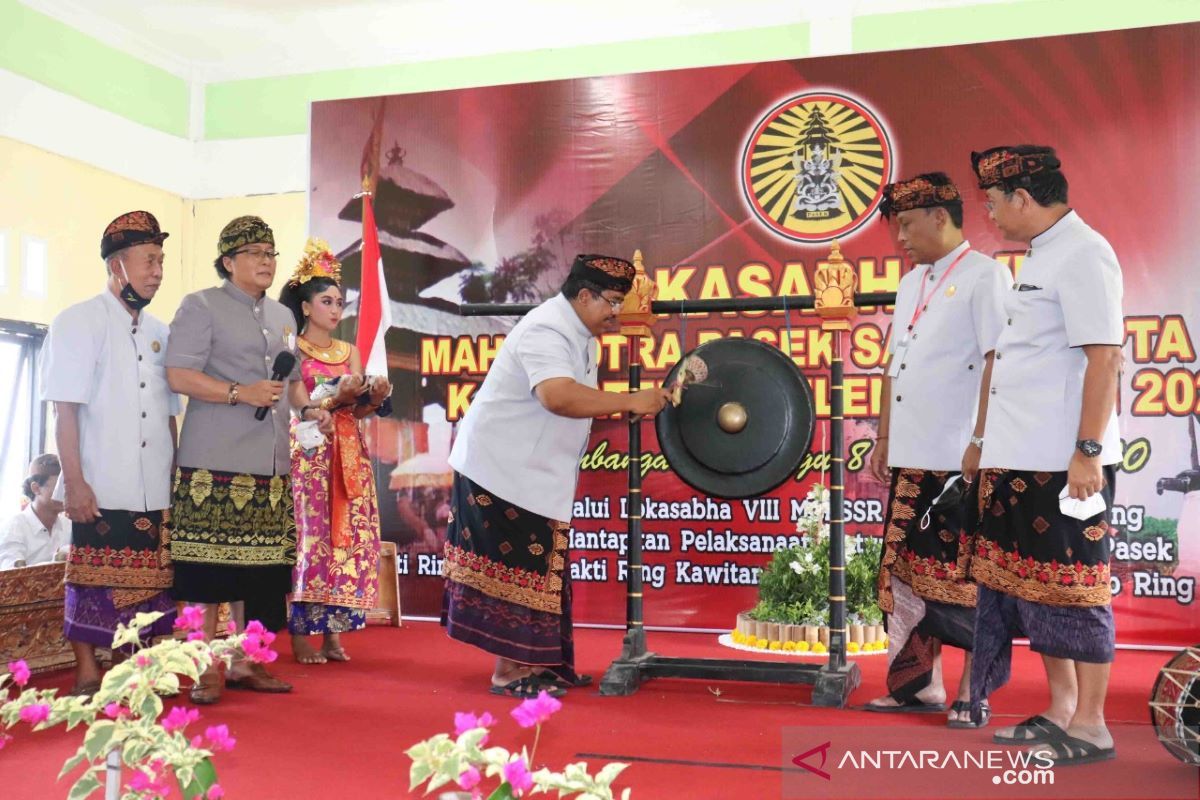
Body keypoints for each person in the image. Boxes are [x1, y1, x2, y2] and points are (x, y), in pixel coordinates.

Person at [443, 254, 672, 698]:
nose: (616, 313)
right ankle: (508, 673)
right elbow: (556, 395)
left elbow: (574, 398)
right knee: (519, 570)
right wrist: (628, 401)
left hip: (534, 473)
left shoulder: (581, 333)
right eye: (611, 301)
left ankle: (538, 663)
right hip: (501, 469)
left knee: (542, 569)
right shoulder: (546, 328)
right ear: (583, 295)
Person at [969, 146, 1124, 764]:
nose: (992, 216)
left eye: (993, 204)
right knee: (1034, 592)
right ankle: (1061, 710)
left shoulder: (1086, 253)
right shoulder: (1040, 254)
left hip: (1063, 465)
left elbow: (1104, 358)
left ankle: (1092, 723)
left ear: (1023, 199)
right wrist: (984, 442)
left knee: (1075, 588)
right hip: (1019, 455)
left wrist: (1087, 452)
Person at [165, 216, 331, 705]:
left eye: (271, 252)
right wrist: (240, 392)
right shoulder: (200, 306)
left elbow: (294, 378)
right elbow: (178, 375)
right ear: (228, 261)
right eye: (255, 252)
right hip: (213, 462)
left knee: (256, 573)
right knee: (206, 572)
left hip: (272, 463)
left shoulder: (282, 315)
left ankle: (243, 662)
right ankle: (203, 667)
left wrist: (309, 408)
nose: (266, 261)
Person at [865, 173, 1007, 727]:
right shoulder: (910, 284)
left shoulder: (985, 277)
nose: (900, 236)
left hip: (959, 458)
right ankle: (917, 686)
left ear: (940, 217)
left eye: (906, 223)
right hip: (911, 450)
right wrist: (884, 435)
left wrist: (980, 441)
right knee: (905, 570)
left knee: (961, 576)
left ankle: (974, 692)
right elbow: (893, 364)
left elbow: (998, 363)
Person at [41, 211, 180, 695]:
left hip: (154, 482)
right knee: (90, 576)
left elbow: (168, 415)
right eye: (149, 260)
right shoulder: (77, 321)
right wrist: (74, 482)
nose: (158, 271)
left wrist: (175, 475)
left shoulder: (162, 330)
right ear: (117, 265)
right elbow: (65, 411)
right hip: (99, 480)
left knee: (152, 579)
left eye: (161, 260)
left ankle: (137, 668)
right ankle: (87, 671)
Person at [277, 238, 391, 664]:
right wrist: (331, 395)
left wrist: (373, 398)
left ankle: (333, 633)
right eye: (326, 300)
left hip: (349, 451)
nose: (335, 308)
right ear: (305, 307)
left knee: (346, 540)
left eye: (339, 301)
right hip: (310, 453)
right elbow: (296, 401)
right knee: (312, 538)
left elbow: (356, 408)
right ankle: (300, 633)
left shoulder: (349, 351)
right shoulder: (293, 347)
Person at [0, 454, 71, 569]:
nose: (67, 493)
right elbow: (11, 576)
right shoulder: (14, 527)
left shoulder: (69, 526)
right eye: (60, 487)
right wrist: (57, 562)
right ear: (36, 488)